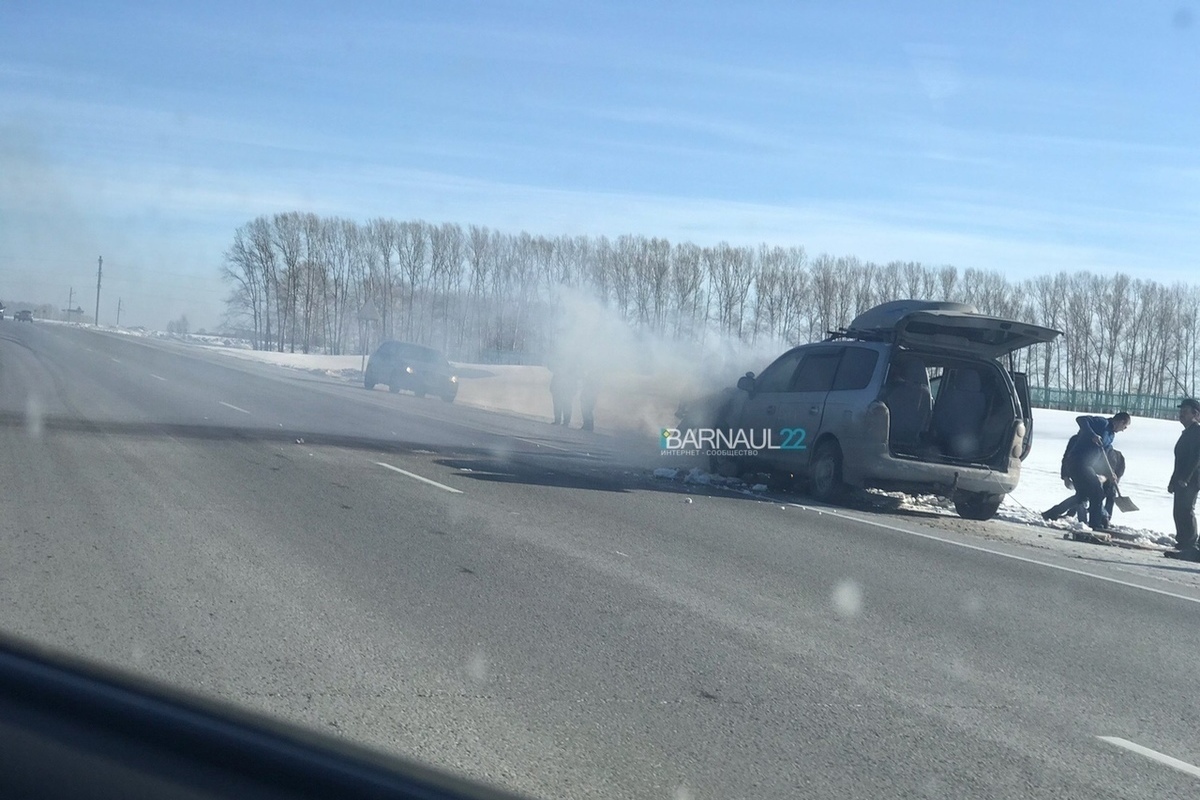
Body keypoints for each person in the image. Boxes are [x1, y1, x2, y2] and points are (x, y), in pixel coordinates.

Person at [1057, 412, 1131, 531]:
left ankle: (1053, 513)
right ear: (1121, 421)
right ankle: (1094, 524)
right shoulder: (1102, 423)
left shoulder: (1111, 435)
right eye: (1125, 426)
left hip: (1089, 466)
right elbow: (1081, 419)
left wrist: (1110, 473)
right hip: (1079, 462)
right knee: (1095, 493)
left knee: (1087, 495)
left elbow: (1104, 456)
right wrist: (1092, 435)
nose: (1123, 430)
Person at [1165, 398, 1200, 561]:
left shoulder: (1197, 432)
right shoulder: (1187, 433)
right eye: (1181, 412)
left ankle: (1190, 544)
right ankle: (1182, 542)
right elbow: (1179, 460)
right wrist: (1173, 480)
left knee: (1186, 509)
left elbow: (1196, 457)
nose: (1181, 415)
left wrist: (1186, 478)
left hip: (1193, 477)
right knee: (1178, 509)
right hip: (1181, 478)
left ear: (1196, 414)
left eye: (1185, 412)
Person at [548, 361, 577, 426]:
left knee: (566, 406)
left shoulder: (570, 373)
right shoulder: (558, 371)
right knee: (558, 406)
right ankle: (558, 420)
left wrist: (573, 391)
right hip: (558, 390)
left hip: (566, 391)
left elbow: (573, 383)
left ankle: (565, 421)